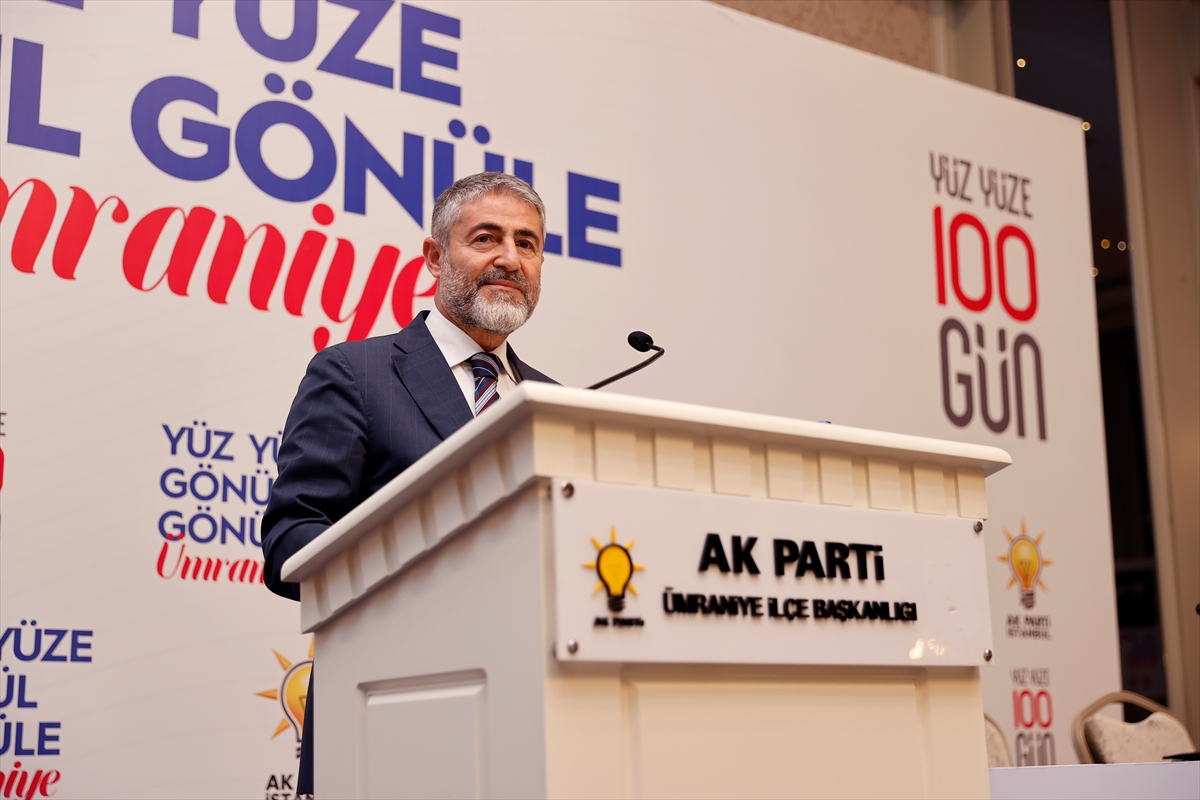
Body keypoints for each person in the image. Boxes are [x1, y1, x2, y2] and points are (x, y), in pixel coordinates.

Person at [260, 172, 557, 795]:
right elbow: (293, 539)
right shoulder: (355, 373)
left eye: (527, 243)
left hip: (534, 719)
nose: (510, 258)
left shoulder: (553, 403)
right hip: (389, 713)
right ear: (435, 257)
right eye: (486, 238)